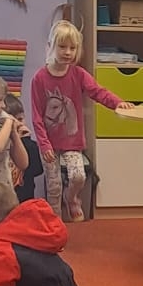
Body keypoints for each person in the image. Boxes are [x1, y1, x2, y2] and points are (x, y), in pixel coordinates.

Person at [29, 20, 128, 222]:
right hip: (49, 143)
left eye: (72, 48)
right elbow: (37, 115)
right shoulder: (39, 78)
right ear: (51, 46)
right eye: (62, 47)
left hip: (71, 142)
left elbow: (98, 92)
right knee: (54, 185)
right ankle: (54, 223)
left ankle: (72, 198)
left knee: (78, 176)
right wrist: (44, 144)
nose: (67, 52)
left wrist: (117, 103)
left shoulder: (78, 74)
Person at [5, 91, 43, 211]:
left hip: (25, 199)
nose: (18, 124)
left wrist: (26, 141)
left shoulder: (29, 144)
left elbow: (37, 170)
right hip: (3, 201)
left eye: (20, 119)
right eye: (12, 121)